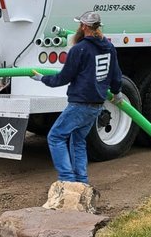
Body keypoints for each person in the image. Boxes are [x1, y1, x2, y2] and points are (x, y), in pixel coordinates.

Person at [31, 11, 123, 185]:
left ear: (83, 26)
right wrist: (117, 93)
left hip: (80, 103)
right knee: (78, 140)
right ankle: (81, 182)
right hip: (96, 105)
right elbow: (116, 75)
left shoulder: (79, 49)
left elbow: (62, 78)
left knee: (55, 137)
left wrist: (41, 78)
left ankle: (67, 180)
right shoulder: (109, 47)